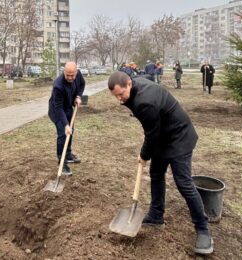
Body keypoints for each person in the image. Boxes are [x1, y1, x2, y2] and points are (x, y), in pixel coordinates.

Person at [107, 71, 213, 255]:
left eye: (121, 94)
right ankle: (156, 216)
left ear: (129, 84)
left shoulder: (144, 102)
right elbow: (153, 130)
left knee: (184, 183)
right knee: (156, 174)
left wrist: (143, 155)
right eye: (115, 96)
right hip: (163, 136)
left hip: (179, 137)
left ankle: (203, 229)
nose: (119, 99)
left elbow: (151, 134)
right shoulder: (135, 88)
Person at [48, 62, 85, 176]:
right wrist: (65, 124)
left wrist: (78, 96)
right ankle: (62, 162)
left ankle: (68, 154)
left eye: (72, 75)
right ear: (64, 72)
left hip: (68, 107)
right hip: (57, 111)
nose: (69, 77)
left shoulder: (78, 76)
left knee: (71, 131)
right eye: (67, 75)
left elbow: (82, 84)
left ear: (76, 72)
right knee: (63, 134)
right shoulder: (58, 85)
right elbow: (58, 108)